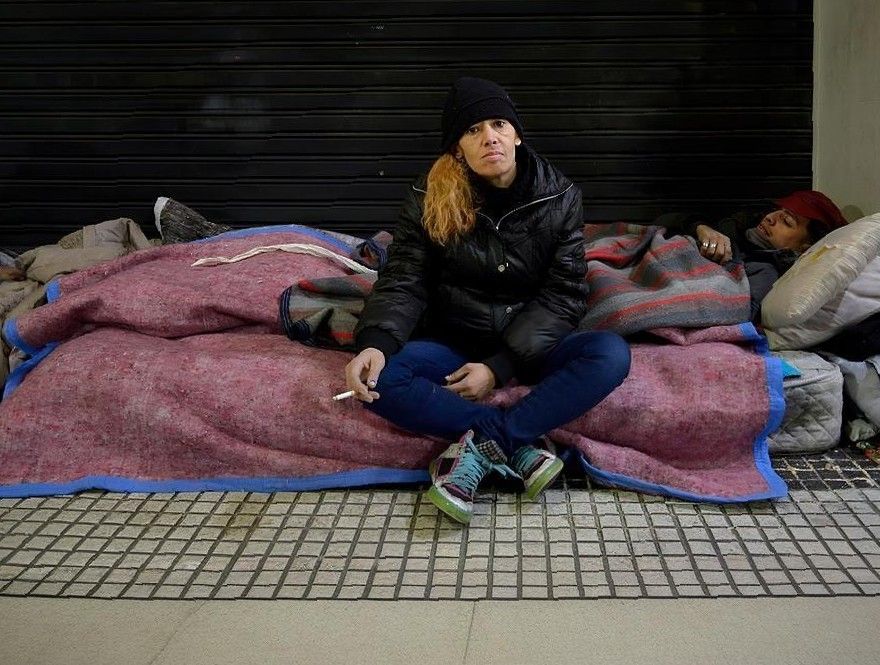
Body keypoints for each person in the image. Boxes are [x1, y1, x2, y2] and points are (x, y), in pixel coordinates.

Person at [344, 77, 631, 524]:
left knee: (609, 354)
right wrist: (376, 341)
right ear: (458, 148)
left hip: (530, 347)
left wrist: (499, 369)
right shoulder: (428, 198)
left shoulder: (559, 197)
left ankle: (482, 446)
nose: (489, 137)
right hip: (453, 340)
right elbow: (404, 277)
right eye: (472, 130)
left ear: (517, 133)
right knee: (381, 379)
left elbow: (564, 296)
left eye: (498, 124)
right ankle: (517, 444)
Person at [657, 190, 849, 321]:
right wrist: (700, 228)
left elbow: (731, 315)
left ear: (803, 248)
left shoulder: (764, 271)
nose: (770, 218)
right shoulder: (735, 225)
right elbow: (659, 222)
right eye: (777, 211)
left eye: (787, 221)